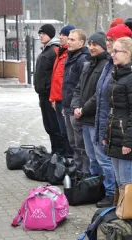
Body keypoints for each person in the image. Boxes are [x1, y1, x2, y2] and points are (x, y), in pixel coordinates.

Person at [71, 31, 115, 207]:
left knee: (102, 158)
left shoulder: (106, 65)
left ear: (103, 46)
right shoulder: (88, 64)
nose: (91, 47)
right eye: (90, 44)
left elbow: (100, 95)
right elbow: (79, 88)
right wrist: (75, 106)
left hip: (96, 119)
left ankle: (111, 192)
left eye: (95, 44)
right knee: (91, 157)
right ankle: (96, 187)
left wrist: (83, 109)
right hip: (84, 118)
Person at [95, 24, 132, 206]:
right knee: (112, 167)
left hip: (121, 131)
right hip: (108, 123)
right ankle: (117, 201)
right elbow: (102, 94)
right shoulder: (111, 66)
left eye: (112, 41)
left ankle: (117, 200)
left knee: (125, 179)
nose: (108, 45)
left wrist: (127, 140)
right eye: (108, 40)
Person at [103, 37, 132, 190]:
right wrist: (106, 136)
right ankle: (121, 212)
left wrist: (128, 141)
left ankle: (129, 214)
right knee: (119, 181)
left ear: (127, 54)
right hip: (115, 136)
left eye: (116, 51)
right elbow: (113, 110)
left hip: (126, 138)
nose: (112, 54)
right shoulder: (118, 75)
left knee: (127, 184)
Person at [62, 29, 90, 175]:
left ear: (81, 42)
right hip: (68, 107)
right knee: (73, 143)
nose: (69, 42)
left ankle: (84, 174)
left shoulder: (83, 59)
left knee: (81, 144)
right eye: (69, 39)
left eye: (73, 40)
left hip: (77, 108)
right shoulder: (70, 57)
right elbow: (67, 84)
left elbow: (81, 86)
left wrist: (76, 106)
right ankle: (78, 172)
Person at [33, 24, 63, 154]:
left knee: (55, 127)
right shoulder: (45, 50)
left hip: (50, 95)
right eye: (40, 34)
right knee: (49, 127)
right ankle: (55, 152)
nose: (41, 36)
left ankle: (59, 153)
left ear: (50, 35)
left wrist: (49, 89)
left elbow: (57, 73)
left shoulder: (54, 50)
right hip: (43, 95)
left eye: (43, 33)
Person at [49, 24, 75, 158]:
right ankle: (65, 160)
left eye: (64, 35)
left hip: (66, 101)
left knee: (69, 134)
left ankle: (70, 161)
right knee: (63, 132)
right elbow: (56, 79)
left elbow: (68, 82)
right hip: (58, 100)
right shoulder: (60, 54)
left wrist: (65, 102)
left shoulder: (69, 56)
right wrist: (53, 98)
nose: (60, 37)